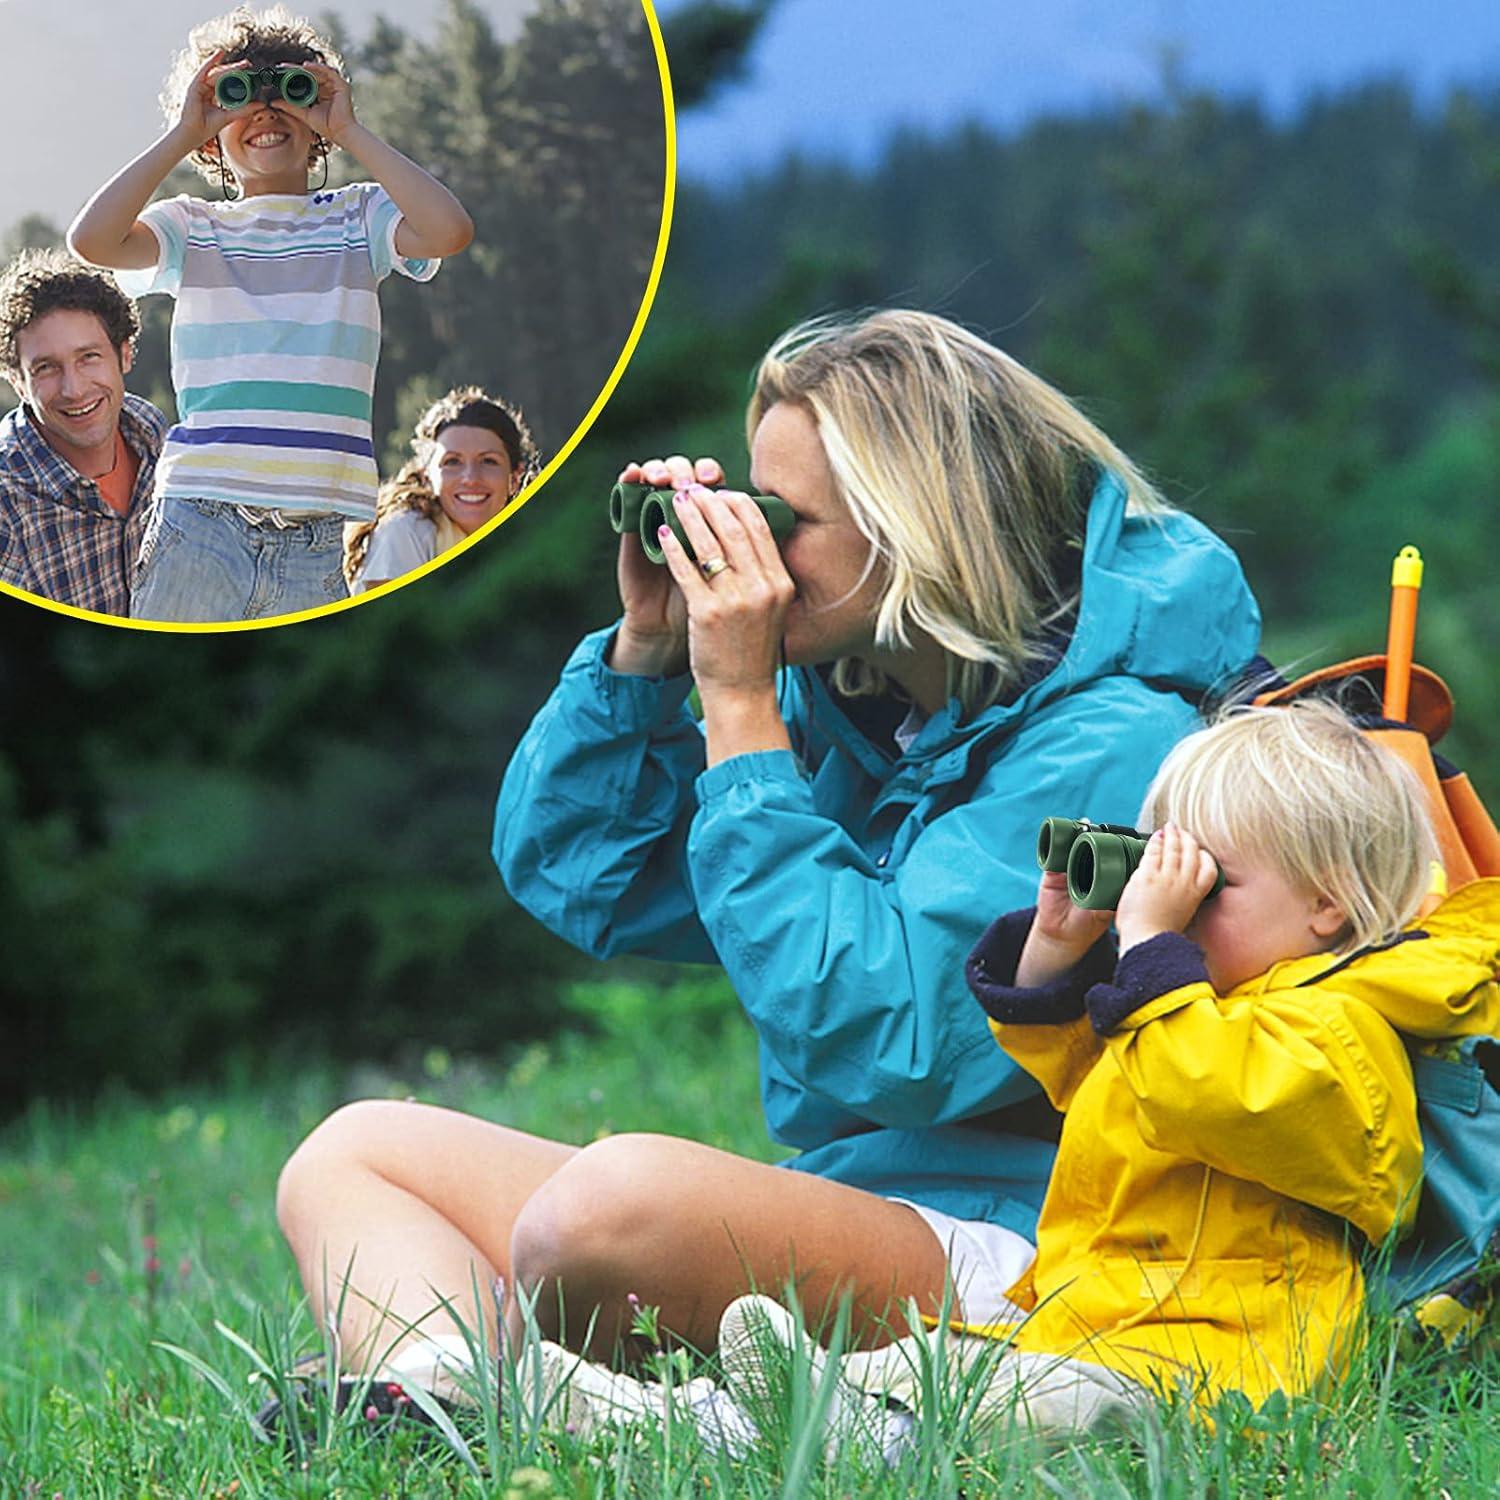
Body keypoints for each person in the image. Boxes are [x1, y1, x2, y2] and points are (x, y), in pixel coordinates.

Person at [274, 309, 1262, 1416]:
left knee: (605, 1212)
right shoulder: (867, 701)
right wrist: (645, 652)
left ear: (914, 529)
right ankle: (449, 1405)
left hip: (1050, 1239)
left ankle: (512, 1394)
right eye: (747, 501)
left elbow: (903, 1042)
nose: (747, 544)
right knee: (353, 1153)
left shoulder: (1118, 740)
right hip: (870, 1205)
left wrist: (738, 704)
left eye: (784, 518)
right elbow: (580, 868)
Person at [67, 4, 473, 624]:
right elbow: (91, 241)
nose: (264, 113)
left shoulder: (358, 217)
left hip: (318, 538)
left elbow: (449, 232)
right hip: (202, 519)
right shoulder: (191, 226)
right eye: (237, 98)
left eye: (289, 94)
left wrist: (351, 130)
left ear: (317, 125)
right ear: (212, 136)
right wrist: (181, 133)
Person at [0, 249, 166, 616]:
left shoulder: (153, 434)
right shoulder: (8, 510)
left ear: (124, 354)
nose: (73, 389)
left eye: (88, 357)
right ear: (19, 383)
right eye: (46, 368)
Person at [344, 385, 540, 593]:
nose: (471, 479)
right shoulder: (405, 531)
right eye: (453, 462)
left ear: (515, 477)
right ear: (426, 474)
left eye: (489, 461)